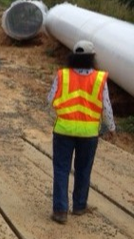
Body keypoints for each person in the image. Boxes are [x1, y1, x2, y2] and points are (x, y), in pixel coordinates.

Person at [47, 40, 116, 224]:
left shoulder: (62, 75)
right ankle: (79, 206)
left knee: (61, 169)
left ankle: (60, 211)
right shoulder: (99, 78)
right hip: (89, 134)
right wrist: (111, 128)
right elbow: (106, 106)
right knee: (83, 170)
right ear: (92, 57)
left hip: (63, 130)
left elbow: (50, 99)